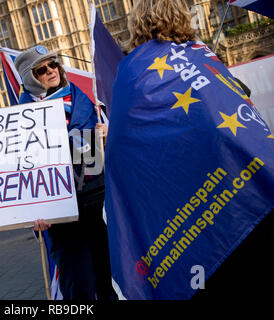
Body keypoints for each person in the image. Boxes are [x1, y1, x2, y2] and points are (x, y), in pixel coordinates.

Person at [105, 0, 274, 299]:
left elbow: (120, 150)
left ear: (136, 25)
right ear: (182, 16)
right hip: (246, 188)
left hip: (191, 219)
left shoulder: (132, 73)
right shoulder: (201, 53)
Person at [14, 45, 116, 300]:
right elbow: (23, 170)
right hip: (60, 210)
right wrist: (33, 213)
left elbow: (92, 159)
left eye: (53, 65)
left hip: (95, 200)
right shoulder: (21, 116)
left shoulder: (81, 98)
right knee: (77, 285)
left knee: (107, 281)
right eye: (41, 70)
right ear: (31, 78)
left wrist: (104, 136)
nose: (51, 71)